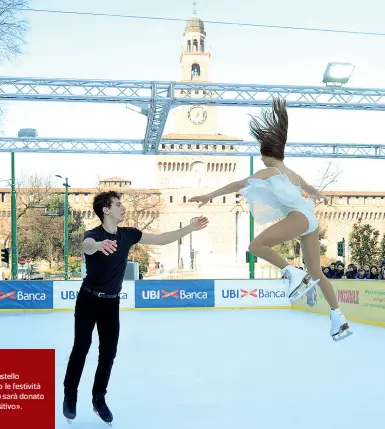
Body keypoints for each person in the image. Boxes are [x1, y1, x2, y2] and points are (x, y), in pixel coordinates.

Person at [189, 98, 352, 342]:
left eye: (262, 155)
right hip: (310, 219)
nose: (261, 159)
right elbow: (309, 188)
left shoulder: (269, 171)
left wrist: (209, 195)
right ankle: (338, 317)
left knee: (255, 246)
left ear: (267, 154)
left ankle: (292, 273)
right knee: (317, 272)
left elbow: (238, 184)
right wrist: (323, 197)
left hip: (300, 217)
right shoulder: (291, 173)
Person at [63, 190, 208, 425]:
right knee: (81, 347)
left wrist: (190, 228)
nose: (123, 208)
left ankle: (98, 398)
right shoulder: (94, 234)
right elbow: (87, 245)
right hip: (88, 300)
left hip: (111, 302)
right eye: (118, 204)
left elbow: (161, 238)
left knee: (108, 354)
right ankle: (70, 393)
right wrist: (99, 245)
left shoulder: (128, 234)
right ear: (106, 210)